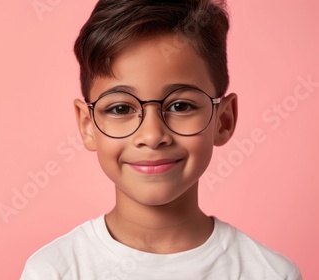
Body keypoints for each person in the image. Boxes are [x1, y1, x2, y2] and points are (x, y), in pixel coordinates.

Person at [20, 0, 302, 279]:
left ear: (223, 119)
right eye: (121, 108)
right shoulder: (53, 272)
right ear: (87, 124)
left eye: (180, 106)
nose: (152, 136)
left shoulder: (270, 274)